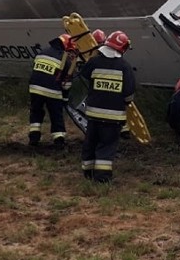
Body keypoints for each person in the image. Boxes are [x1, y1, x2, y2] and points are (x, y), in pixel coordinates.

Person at [79, 30, 136, 182]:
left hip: (93, 115)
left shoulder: (94, 62)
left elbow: (83, 76)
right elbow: (129, 94)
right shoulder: (125, 67)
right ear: (122, 48)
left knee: (90, 143)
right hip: (113, 118)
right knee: (106, 146)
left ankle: (88, 172)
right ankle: (102, 178)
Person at [28, 34, 75, 149]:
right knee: (56, 115)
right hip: (52, 91)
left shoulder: (42, 52)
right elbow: (66, 84)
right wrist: (65, 99)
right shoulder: (65, 60)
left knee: (36, 111)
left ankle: (34, 137)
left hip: (35, 88)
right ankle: (59, 139)